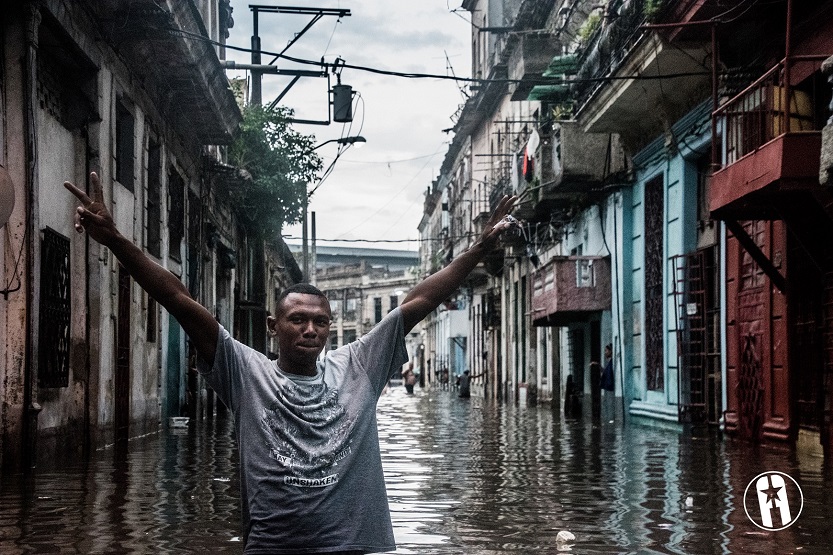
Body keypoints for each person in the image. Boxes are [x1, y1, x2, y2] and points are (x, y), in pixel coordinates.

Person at [64, 172, 517, 555]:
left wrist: (479, 248)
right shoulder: (246, 372)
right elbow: (179, 300)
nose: (310, 330)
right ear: (272, 326)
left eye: (320, 322)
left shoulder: (358, 365)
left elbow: (421, 298)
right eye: (297, 319)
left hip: (351, 545)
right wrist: (117, 240)